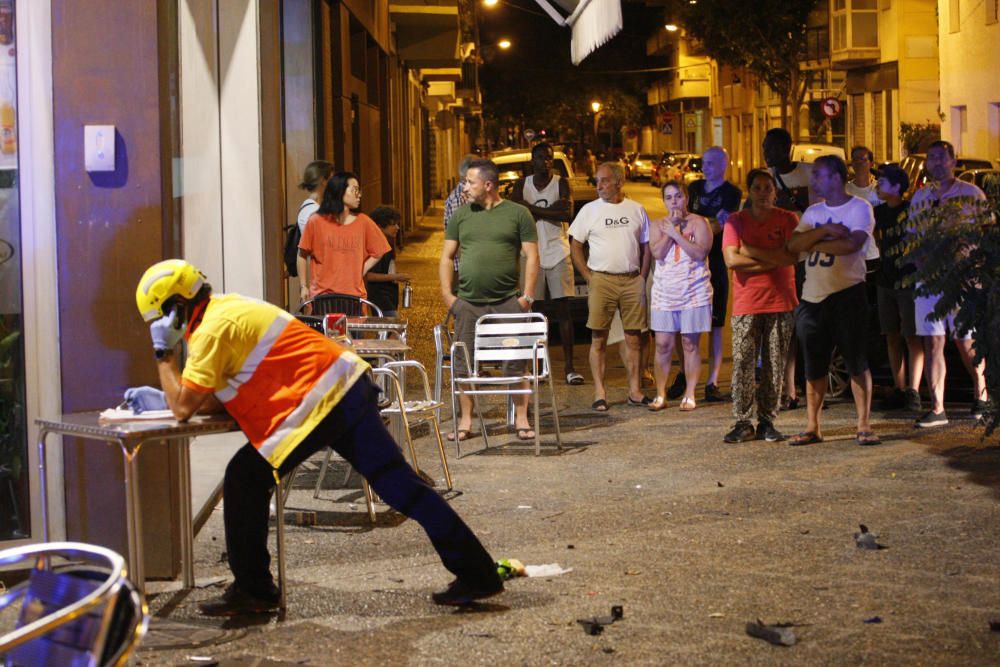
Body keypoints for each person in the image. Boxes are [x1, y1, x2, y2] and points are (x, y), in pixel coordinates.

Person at [126, 259, 503, 615]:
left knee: (245, 477)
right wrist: (170, 395)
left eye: (158, 317)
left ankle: (254, 591)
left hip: (323, 402)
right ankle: (478, 574)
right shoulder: (224, 311)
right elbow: (207, 396)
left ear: (176, 306)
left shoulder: (209, 331)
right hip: (343, 390)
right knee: (400, 487)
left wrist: (163, 358)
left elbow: (183, 408)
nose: (158, 326)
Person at [439, 158, 540, 442]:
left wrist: (527, 297)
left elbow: (532, 255)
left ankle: (521, 419)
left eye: (470, 182)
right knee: (464, 361)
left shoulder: (518, 214)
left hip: (508, 301)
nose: (465, 187)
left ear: (488, 185)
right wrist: (449, 296)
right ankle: (466, 421)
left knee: (516, 359)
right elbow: (446, 257)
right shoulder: (461, 215)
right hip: (469, 302)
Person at [786, 155, 880, 446]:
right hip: (811, 297)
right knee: (814, 365)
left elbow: (852, 244)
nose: (813, 181)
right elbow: (793, 245)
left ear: (837, 178)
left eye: (819, 175)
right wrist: (825, 231)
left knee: (856, 361)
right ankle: (813, 426)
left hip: (847, 294)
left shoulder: (859, 208)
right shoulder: (814, 213)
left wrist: (813, 240)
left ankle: (863, 425)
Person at [908, 140, 989, 427]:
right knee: (933, 342)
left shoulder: (971, 193)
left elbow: (987, 233)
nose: (936, 163)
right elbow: (912, 237)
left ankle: (982, 395)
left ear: (954, 161)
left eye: (942, 157)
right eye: (931, 158)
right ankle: (937, 407)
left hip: (964, 280)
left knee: (965, 340)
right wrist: (922, 265)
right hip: (929, 282)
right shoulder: (920, 198)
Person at [722, 169, 800, 443]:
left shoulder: (788, 219)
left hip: (780, 300)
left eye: (768, 188)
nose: (763, 192)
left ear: (775, 192)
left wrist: (751, 252)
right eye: (757, 187)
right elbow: (731, 260)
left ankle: (768, 419)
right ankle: (742, 420)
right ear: (749, 191)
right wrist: (773, 259)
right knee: (743, 362)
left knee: (774, 363)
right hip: (747, 303)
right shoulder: (736, 221)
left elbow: (793, 255)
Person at [568, 162, 651, 411]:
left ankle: (634, 390)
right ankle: (600, 392)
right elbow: (575, 246)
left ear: (619, 181)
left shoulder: (637, 209)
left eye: (603, 180)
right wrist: (589, 275)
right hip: (602, 279)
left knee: (634, 338)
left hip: (631, 279)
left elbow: (646, 246)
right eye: (597, 181)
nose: (599, 185)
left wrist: (643, 276)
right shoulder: (589, 211)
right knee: (598, 338)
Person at [666, 146, 742, 403]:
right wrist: (700, 226)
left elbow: (722, 225)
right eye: (704, 162)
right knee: (686, 322)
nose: (705, 167)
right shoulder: (695, 189)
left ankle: (712, 381)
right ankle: (685, 373)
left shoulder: (732, 193)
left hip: (717, 262)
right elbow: (682, 218)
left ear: (724, 164)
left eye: (711, 163)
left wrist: (699, 227)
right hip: (689, 263)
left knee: (716, 325)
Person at [510, 142, 582, 385]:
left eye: (550, 158)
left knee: (563, 311)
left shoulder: (561, 182)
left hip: (558, 252)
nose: (546, 162)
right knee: (535, 312)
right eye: (542, 158)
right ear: (533, 160)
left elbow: (567, 214)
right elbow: (516, 212)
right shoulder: (523, 184)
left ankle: (570, 367)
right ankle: (539, 366)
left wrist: (533, 211)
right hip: (531, 255)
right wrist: (549, 210)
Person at [647, 181, 713, 412]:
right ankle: (661, 393)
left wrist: (677, 233)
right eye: (668, 197)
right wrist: (669, 231)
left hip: (694, 291)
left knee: (689, 343)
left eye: (678, 196)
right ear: (663, 201)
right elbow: (657, 253)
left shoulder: (699, 223)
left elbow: (700, 252)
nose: (674, 201)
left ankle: (690, 392)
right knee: (663, 344)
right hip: (665, 292)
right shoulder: (657, 225)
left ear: (686, 198)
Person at [762, 128, 814, 411]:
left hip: (806, 261)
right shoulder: (765, 180)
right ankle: (787, 389)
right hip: (779, 260)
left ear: (788, 149)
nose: (767, 153)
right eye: (765, 148)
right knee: (781, 328)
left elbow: (820, 207)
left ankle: (806, 386)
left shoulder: (808, 174)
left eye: (773, 148)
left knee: (803, 326)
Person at [872, 165, 923, 412]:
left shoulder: (911, 210)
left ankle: (913, 390)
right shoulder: (878, 212)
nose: (878, 185)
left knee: (911, 335)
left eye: (882, 181)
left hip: (908, 279)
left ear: (896, 186)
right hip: (885, 279)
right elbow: (874, 240)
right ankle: (899, 387)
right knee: (891, 335)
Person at [297, 171, 390, 302]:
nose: (359, 195)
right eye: (355, 190)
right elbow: (302, 254)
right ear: (340, 191)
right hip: (322, 296)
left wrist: (360, 270)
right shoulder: (316, 221)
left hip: (354, 296)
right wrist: (303, 286)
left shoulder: (363, 222)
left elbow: (379, 251)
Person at [365, 206, 410, 318]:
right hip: (379, 296)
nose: (397, 227)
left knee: (387, 331)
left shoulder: (388, 242)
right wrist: (396, 276)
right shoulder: (376, 246)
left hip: (389, 295)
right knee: (395, 328)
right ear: (380, 226)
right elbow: (369, 275)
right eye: (393, 224)